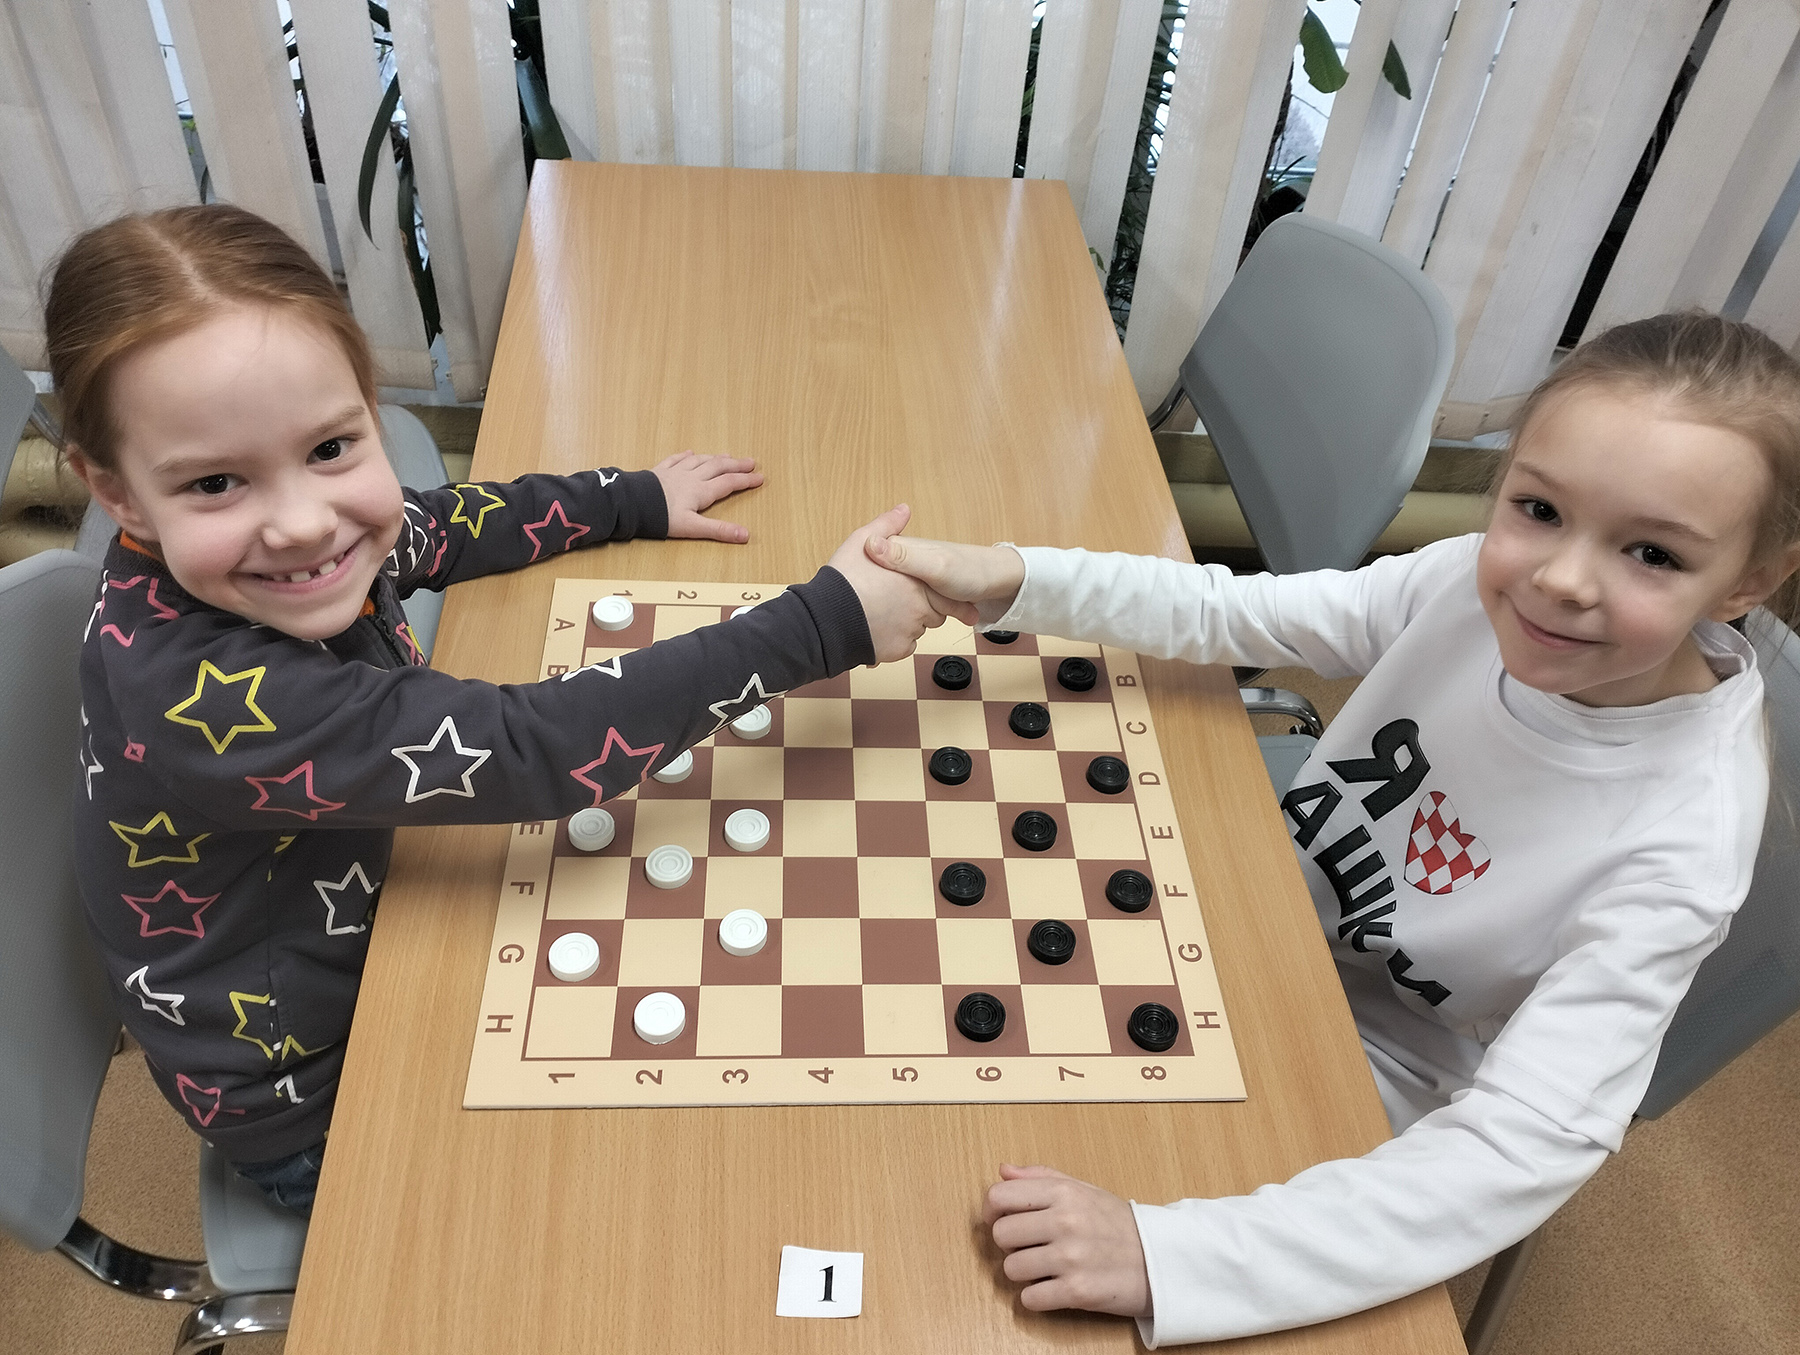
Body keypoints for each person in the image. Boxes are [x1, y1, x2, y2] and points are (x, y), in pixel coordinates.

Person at [865, 312, 1800, 1344]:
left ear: (1748, 583)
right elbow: (1238, 614)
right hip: (1247, 923)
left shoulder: (1685, 835)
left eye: (1652, 553)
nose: (1563, 578)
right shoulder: (1463, 584)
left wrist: (1172, 1259)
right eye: (1539, 508)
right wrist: (1015, 578)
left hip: (1378, 1067)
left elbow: (1523, 1143)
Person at [50, 203, 949, 1218]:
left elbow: (437, 527)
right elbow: (534, 749)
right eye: (217, 482)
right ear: (116, 493)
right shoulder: (194, 692)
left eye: (332, 447)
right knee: (664, 1195)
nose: (303, 521)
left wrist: (628, 498)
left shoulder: (285, 548)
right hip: (317, 1090)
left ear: (368, 408)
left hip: (375, 918)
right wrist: (824, 623)